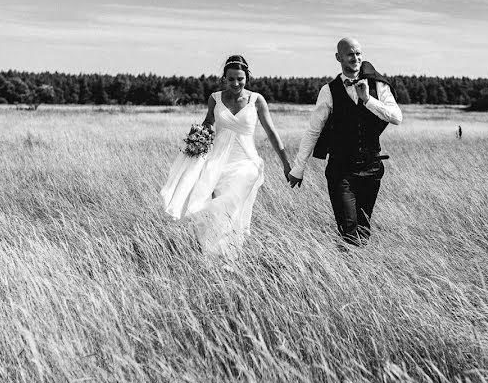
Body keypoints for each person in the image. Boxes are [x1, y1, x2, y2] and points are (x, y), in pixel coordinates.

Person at [160, 55, 291, 256]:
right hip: (218, 161)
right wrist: (200, 136)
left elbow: (271, 133)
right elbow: (208, 121)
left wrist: (285, 163)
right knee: (220, 208)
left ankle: (229, 252)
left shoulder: (256, 100)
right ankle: (220, 254)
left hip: (247, 162)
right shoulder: (215, 98)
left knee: (231, 200)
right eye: (231, 79)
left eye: (240, 78)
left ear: (247, 77)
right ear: (224, 79)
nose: (236, 83)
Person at [287, 37, 402, 245]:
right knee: (348, 229)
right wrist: (298, 168)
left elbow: (397, 117)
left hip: (371, 168)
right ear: (339, 57)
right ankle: (349, 264)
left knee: (363, 228)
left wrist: (368, 100)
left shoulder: (377, 85)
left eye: (358, 53)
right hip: (341, 170)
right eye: (350, 54)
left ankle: (360, 273)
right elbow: (313, 131)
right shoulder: (328, 90)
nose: (355, 58)